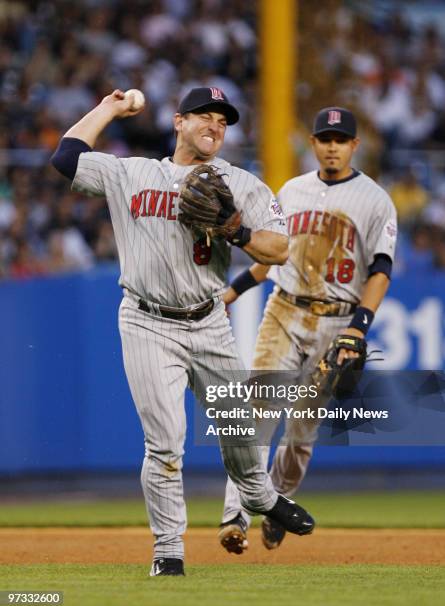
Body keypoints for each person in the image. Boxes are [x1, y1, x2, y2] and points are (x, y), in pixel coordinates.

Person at [50, 86, 315, 576]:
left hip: (209, 320)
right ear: (178, 122)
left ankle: (258, 495)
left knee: (239, 432)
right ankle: (168, 551)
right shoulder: (133, 172)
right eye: (204, 116)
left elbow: (280, 250)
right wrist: (109, 108)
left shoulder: (242, 184)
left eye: (223, 119)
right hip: (146, 321)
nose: (216, 125)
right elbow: (67, 156)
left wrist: (237, 231)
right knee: (166, 444)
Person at [218, 107, 397, 554]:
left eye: (341, 139)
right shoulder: (292, 190)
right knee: (258, 413)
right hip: (284, 309)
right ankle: (235, 516)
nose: (332, 146)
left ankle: (279, 499)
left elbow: (381, 268)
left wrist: (360, 325)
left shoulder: (375, 199)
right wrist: (234, 290)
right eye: (325, 138)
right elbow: (274, 255)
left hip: (338, 320)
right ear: (313, 144)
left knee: (302, 432)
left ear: (355, 146)